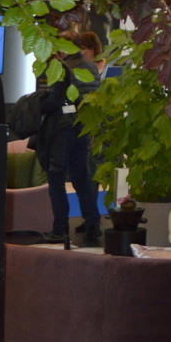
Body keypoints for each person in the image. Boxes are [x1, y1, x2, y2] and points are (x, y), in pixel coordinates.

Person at [38, 39, 102, 246]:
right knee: (80, 175)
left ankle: (60, 229)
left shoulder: (63, 68)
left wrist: (38, 104)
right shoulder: (91, 68)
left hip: (62, 128)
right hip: (83, 125)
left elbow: (55, 100)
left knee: (56, 177)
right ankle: (92, 222)